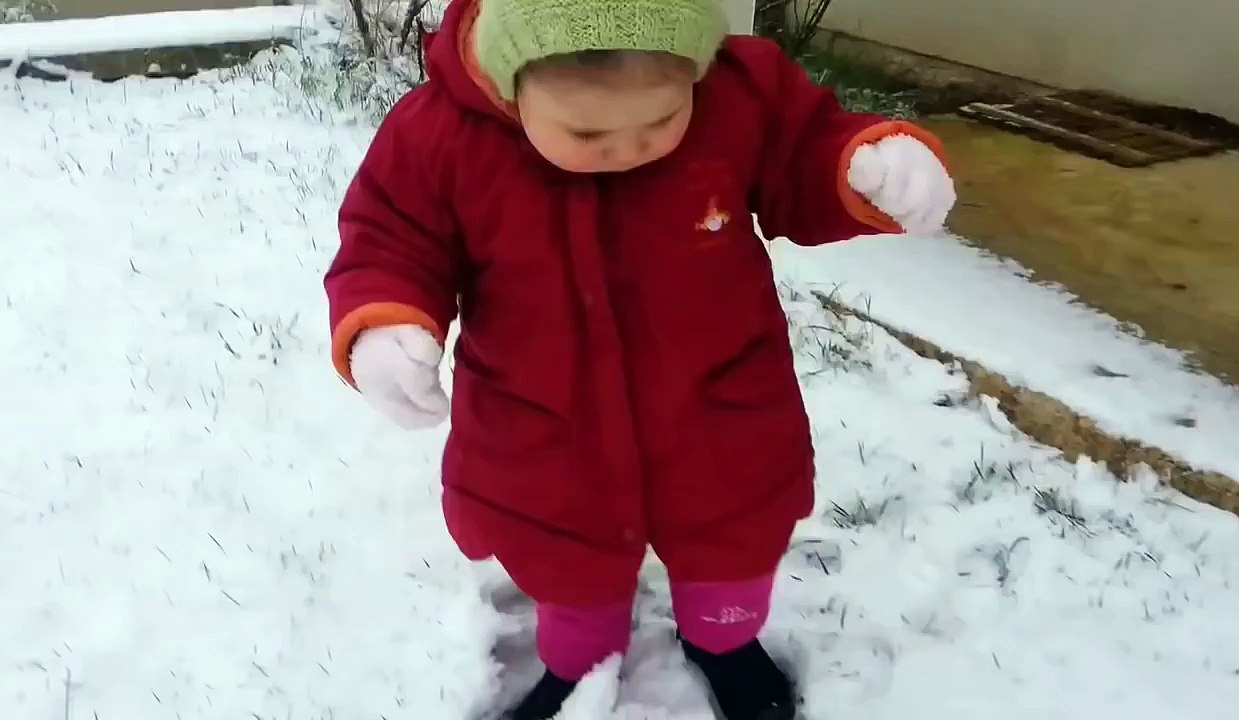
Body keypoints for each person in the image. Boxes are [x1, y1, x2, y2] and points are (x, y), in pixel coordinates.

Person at [324, 0, 955, 717]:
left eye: (661, 121)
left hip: (717, 402)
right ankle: (580, 658)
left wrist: (865, 167)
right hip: (544, 419)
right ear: (510, 83)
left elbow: (805, 153)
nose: (628, 148)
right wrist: (383, 323)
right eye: (587, 132)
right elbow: (391, 236)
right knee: (565, 555)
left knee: (733, 538)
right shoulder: (443, 136)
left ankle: (724, 642)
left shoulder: (737, 97)